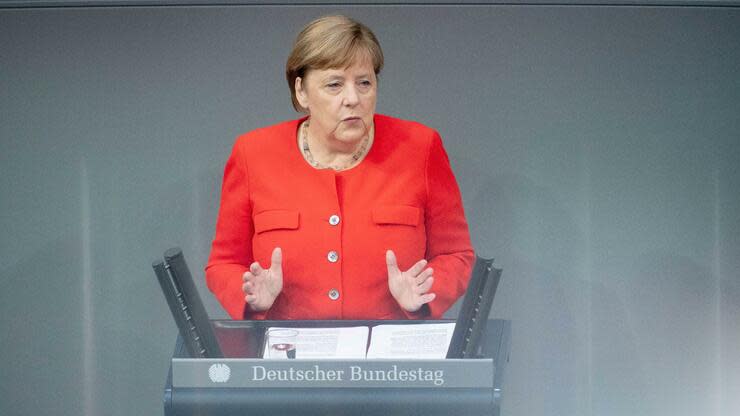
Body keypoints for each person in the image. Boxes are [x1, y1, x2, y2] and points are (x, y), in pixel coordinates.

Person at [206, 15, 474, 321]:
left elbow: (456, 256)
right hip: (288, 360)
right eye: (334, 85)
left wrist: (425, 291)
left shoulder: (420, 148)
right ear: (301, 92)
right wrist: (252, 299)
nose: (353, 99)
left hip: (392, 360)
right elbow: (223, 264)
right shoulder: (253, 154)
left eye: (364, 83)